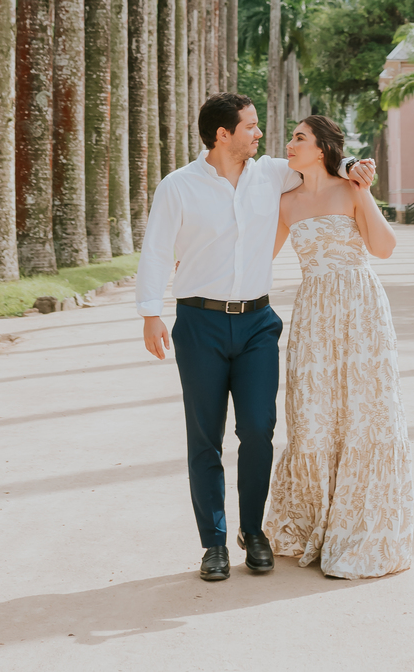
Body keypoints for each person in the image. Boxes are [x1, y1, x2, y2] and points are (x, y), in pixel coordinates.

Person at [136, 92, 376, 583]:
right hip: (199, 323)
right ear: (223, 135)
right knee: (205, 437)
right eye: (250, 126)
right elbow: (157, 250)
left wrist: (354, 163)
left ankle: (254, 531)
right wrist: (150, 314)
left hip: (257, 325)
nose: (260, 134)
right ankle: (214, 544)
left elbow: (324, 163)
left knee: (259, 430)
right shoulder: (178, 187)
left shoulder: (271, 174)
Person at [264, 114, 413, 579]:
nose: (290, 144)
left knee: (366, 414)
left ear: (323, 148)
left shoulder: (351, 189)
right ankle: (315, 523)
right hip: (313, 313)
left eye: (300, 138)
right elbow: (255, 257)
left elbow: (384, 247)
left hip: (361, 310)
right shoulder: (285, 203)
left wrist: (363, 190)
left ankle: (361, 533)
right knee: (313, 417)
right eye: (292, 137)